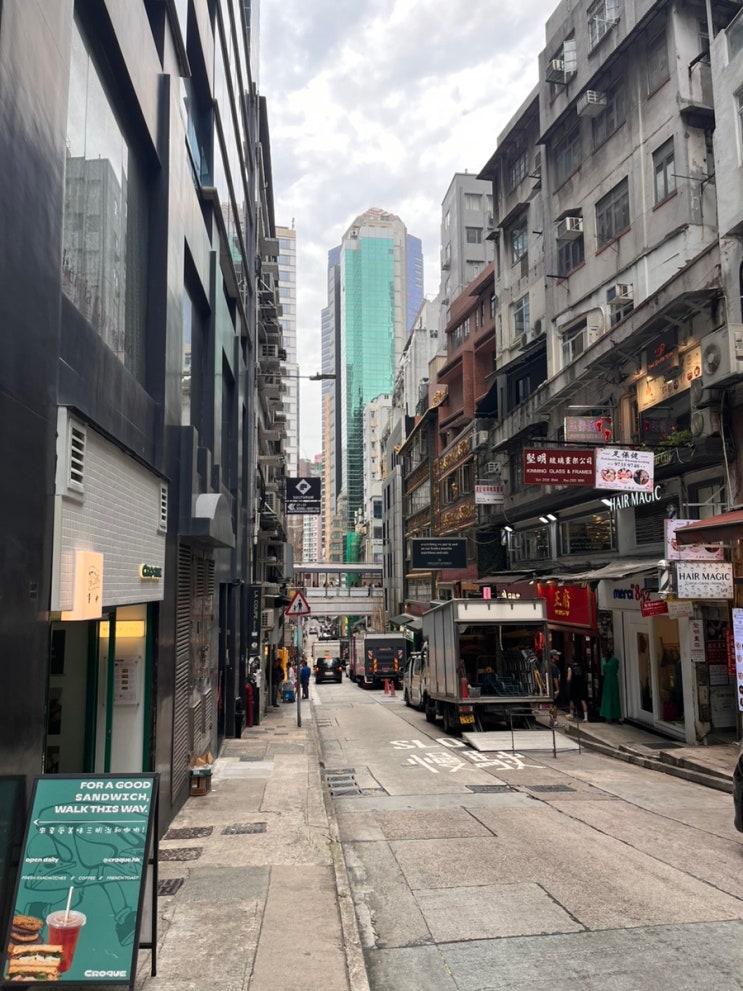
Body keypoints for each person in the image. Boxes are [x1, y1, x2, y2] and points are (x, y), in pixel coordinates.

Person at [600, 645, 621, 722]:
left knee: (609, 697)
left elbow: (605, 667)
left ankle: (609, 715)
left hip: (609, 679)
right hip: (613, 679)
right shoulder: (615, 661)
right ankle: (614, 715)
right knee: (614, 697)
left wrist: (603, 660)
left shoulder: (610, 661)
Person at [566, 655, 589, 722]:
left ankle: (571, 715)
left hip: (574, 685)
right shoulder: (583, 667)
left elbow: (569, 678)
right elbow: (586, 677)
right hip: (582, 685)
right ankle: (586, 718)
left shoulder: (570, 668)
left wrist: (568, 681)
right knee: (583, 701)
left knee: (572, 700)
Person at [549, 649, 562, 725]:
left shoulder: (548, 665)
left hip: (550, 687)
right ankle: (554, 720)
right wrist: (557, 689)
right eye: (557, 655)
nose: (558, 656)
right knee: (555, 704)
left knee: (551, 704)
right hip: (554, 688)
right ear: (553, 656)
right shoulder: (553, 666)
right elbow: (555, 678)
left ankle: (552, 720)